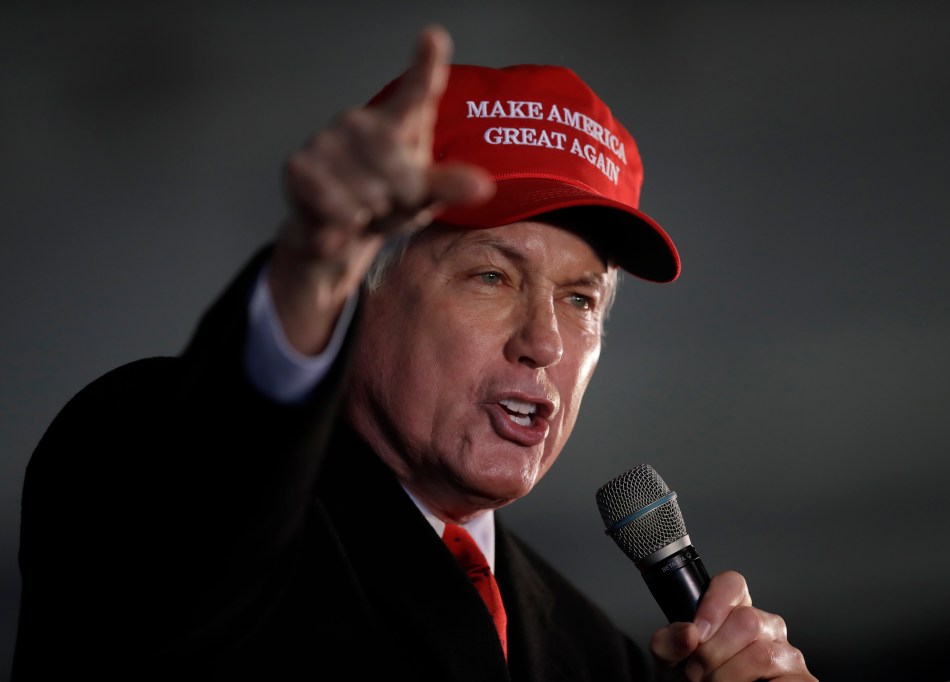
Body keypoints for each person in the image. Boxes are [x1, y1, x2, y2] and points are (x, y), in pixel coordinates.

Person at [12, 24, 817, 682]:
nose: (544, 341)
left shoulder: (594, 654)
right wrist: (309, 272)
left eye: (581, 300)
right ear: (367, 288)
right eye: (492, 276)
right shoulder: (149, 462)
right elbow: (221, 472)